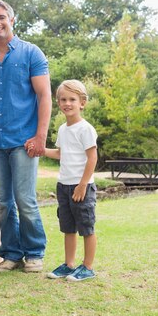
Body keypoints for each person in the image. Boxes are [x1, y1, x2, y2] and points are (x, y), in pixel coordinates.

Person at [0, 0, 51, 273]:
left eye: (2, 17)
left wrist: (41, 136)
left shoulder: (31, 54)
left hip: (24, 141)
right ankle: (11, 254)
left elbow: (44, 95)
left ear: (12, 20)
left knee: (25, 200)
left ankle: (34, 252)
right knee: (3, 203)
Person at [43, 80, 98, 282]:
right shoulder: (63, 129)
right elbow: (60, 153)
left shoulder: (86, 129)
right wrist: (40, 150)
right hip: (63, 186)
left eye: (72, 100)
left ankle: (88, 267)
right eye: (63, 99)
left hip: (81, 186)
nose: (67, 103)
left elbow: (92, 158)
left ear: (82, 103)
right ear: (58, 102)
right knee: (68, 227)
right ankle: (69, 265)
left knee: (86, 227)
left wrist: (83, 184)